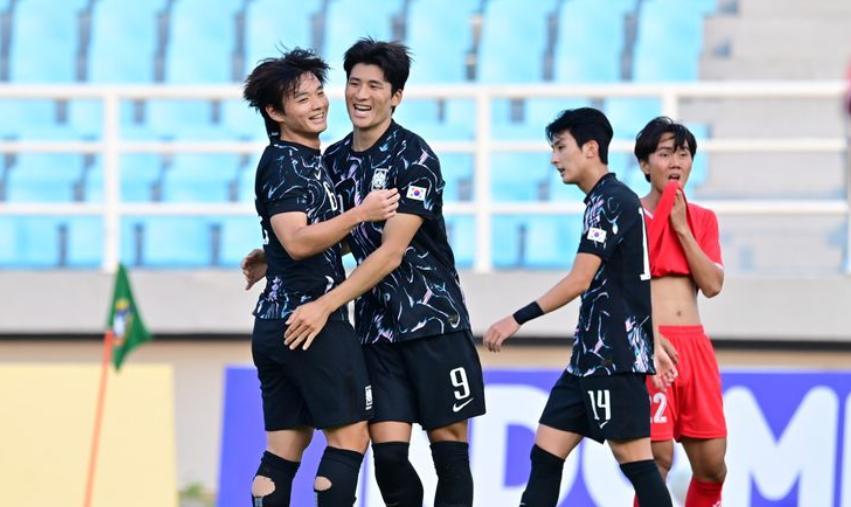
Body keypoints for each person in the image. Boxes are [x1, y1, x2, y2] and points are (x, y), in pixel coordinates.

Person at [282, 38, 486, 507]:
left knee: (449, 452)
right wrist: (272, 254)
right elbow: (333, 232)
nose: (361, 94)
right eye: (354, 83)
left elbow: (392, 252)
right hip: (375, 331)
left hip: (433, 323)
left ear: (396, 96)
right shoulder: (332, 160)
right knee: (389, 457)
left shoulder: (415, 157)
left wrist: (325, 306)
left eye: (375, 86)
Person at [483, 107, 676, 507]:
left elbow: (579, 279)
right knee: (546, 451)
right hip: (587, 360)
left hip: (613, 361)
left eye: (560, 147)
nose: (554, 159)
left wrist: (516, 318)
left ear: (590, 148)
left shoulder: (612, 200)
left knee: (635, 461)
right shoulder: (604, 200)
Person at [240, 48, 400, 506]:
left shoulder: (306, 159)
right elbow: (297, 240)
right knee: (349, 439)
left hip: (275, 323)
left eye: (318, 92)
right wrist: (362, 212)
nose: (318, 104)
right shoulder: (286, 162)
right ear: (275, 112)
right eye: (302, 98)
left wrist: (271, 257)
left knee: (283, 450)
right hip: (312, 322)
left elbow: (294, 240)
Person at [633, 117, 727, 507]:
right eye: (665, 154)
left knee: (712, 468)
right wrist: (648, 337)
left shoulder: (702, 219)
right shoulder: (629, 215)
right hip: (651, 345)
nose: (675, 162)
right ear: (645, 164)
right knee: (656, 461)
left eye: (683, 154)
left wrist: (682, 228)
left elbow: (713, 284)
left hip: (695, 348)